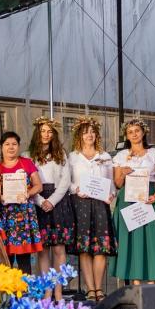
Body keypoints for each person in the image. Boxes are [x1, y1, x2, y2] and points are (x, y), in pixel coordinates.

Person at [111, 118, 155, 284]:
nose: (134, 134)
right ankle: (135, 281)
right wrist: (123, 173)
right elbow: (117, 184)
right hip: (128, 199)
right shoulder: (121, 156)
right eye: (130, 132)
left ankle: (152, 279)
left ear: (143, 132)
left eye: (137, 131)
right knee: (131, 238)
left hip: (149, 198)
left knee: (151, 237)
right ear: (126, 136)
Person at [68, 119, 116, 298]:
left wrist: (111, 194)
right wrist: (76, 189)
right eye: (85, 132)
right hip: (80, 204)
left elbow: (111, 182)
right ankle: (90, 289)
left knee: (100, 247)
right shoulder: (72, 157)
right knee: (84, 248)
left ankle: (99, 288)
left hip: (100, 205)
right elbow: (67, 182)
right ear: (79, 135)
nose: (89, 135)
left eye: (92, 131)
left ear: (96, 135)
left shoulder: (105, 156)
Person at [29, 116, 74, 297]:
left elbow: (66, 180)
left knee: (59, 249)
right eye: (43, 131)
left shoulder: (61, 154)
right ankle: (47, 292)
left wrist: (52, 201)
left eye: (49, 131)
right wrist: (41, 201)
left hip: (58, 201)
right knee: (43, 251)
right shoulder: (28, 155)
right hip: (38, 200)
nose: (46, 134)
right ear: (37, 133)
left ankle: (58, 291)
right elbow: (27, 183)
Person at [0, 131, 43, 273]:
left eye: (14, 144)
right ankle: (6, 287)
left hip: (23, 216)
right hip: (4, 216)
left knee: (24, 260)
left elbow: (38, 186)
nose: (11, 147)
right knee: (5, 259)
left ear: (19, 146)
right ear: (1, 147)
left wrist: (28, 193)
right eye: (7, 144)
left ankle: (25, 287)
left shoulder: (26, 163)